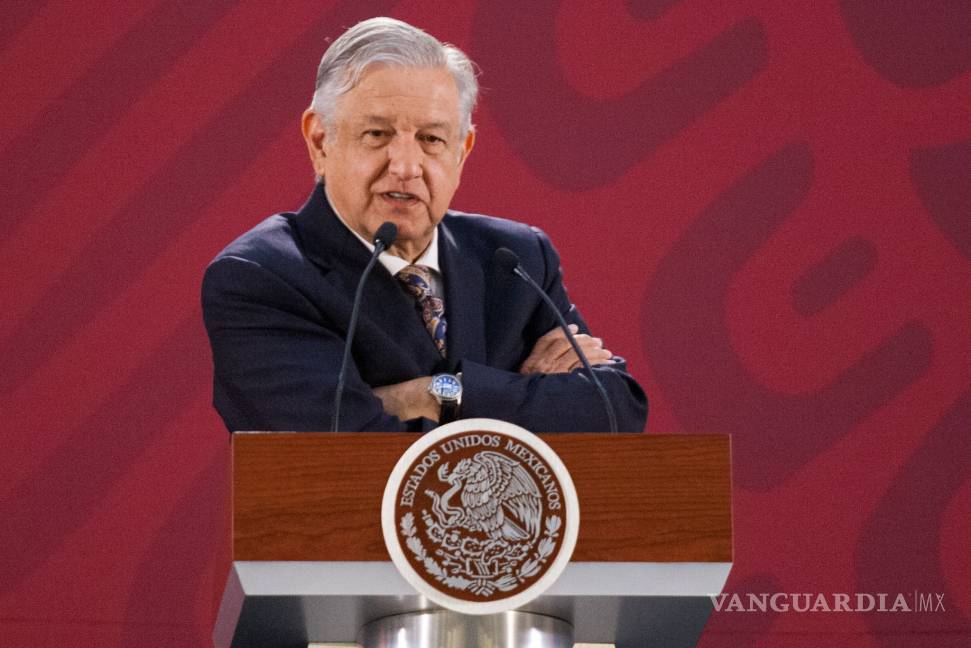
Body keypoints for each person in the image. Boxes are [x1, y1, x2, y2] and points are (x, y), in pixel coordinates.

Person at [202, 17, 647, 433]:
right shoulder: (260, 276)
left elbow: (615, 409)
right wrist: (523, 394)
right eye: (377, 135)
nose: (406, 167)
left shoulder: (516, 260)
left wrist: (436, 394)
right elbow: (339, 439)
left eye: (431, 139)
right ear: (320, 142)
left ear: (462, 151)